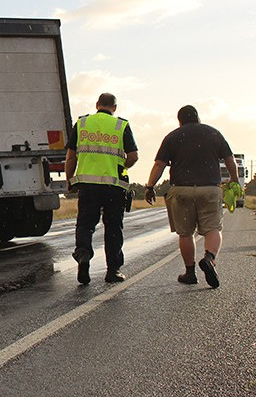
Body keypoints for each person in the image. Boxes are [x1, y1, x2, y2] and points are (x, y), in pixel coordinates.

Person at [144, 105, 239, 288]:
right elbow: (230, 161)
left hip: (181, 190)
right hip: (209, 189)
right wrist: (234, 180)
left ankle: (190, 272)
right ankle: (209, 258)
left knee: (185, 233)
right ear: (198, 118)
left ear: (180, 120)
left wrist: (150, 186)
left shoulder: (172, 136)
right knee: (213, 228)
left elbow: (159, 165)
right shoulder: (214, 133)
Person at [65, 93, 139, 284]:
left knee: (85, 224)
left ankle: (83, 254)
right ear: (115, 108)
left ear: (97, 105)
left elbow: (71, 156)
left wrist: (70, 180)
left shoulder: (82, 124)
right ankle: (112, 271)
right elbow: (133, 156)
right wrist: (120, 166)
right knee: (113, 227)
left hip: (88, 186)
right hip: (113, 186)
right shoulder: (121, 125)